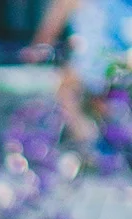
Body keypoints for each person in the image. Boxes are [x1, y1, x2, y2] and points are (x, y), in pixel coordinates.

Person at [24, 0, 132, 147]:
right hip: (118, 60)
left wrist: (39, 48)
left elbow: (52, 26)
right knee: (98, 102)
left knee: (67, 91)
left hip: (100, 61)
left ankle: (94, 147)